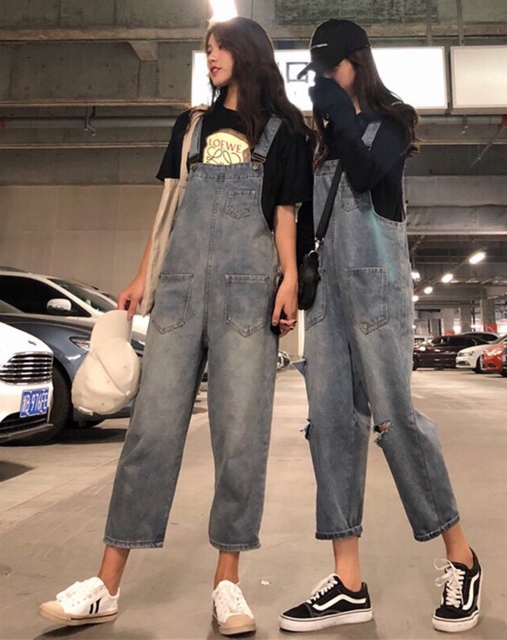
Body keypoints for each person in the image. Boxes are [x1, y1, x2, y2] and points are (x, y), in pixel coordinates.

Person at [39, 17, 312, 637]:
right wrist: (144, 275)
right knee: (151, 433)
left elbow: (285, 215)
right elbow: (168, 209)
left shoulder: (285, 130)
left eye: (220, 47)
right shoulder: (190, 125)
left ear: (246, 53)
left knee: (240, 438)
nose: (210, 56)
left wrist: (290, 281)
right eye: (207, 48)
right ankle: (105, 585)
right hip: (181, 292)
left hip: (248, 297)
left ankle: (227, 583)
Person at [279, 19, 482, 634]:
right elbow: (303, 217)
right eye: (317, 71)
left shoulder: (394, 121)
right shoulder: (320, 140)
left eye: (331, 67)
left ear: (357, 62)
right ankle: (347, 584)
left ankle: (462, 558)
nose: (324, 79)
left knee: (395, 419)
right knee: (330, 426)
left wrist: (335, 111)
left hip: (378, 290)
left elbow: (368, 173)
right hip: (328, 300)